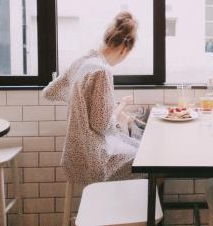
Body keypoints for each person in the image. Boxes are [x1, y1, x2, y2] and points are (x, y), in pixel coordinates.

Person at [42, 11, 143, 184]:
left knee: (141, 150)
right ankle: (127, 209)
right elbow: (101, 125)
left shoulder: (83, 61)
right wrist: (118, 109)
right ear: (124, 48)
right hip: (96, 159)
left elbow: (49, 92)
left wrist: (81, 101)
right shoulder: (102, 71)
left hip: (75, 154)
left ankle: (120, 206)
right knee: (151, 162)